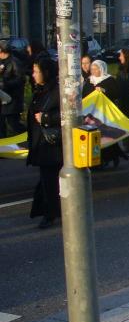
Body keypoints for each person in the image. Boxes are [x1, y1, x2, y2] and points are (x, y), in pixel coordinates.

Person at [26, 57, 61, 229]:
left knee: (49, 182)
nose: (33, 75)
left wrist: (46, 118)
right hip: (42, 143)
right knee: (47, 181)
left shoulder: (56, 91)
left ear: (46, 73)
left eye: (36, 71)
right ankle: (50, 211)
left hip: (52, 145)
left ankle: (51, 213)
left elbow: (69, 114)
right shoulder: (41, 90)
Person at [0, 39, 25, 138]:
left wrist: (5, 84)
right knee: (1, 124)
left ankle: (26, 137)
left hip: (12, 98)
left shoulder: (14, 62)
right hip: (2, 97)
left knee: (13, 124)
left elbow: (20, 80)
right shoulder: (2, 62)